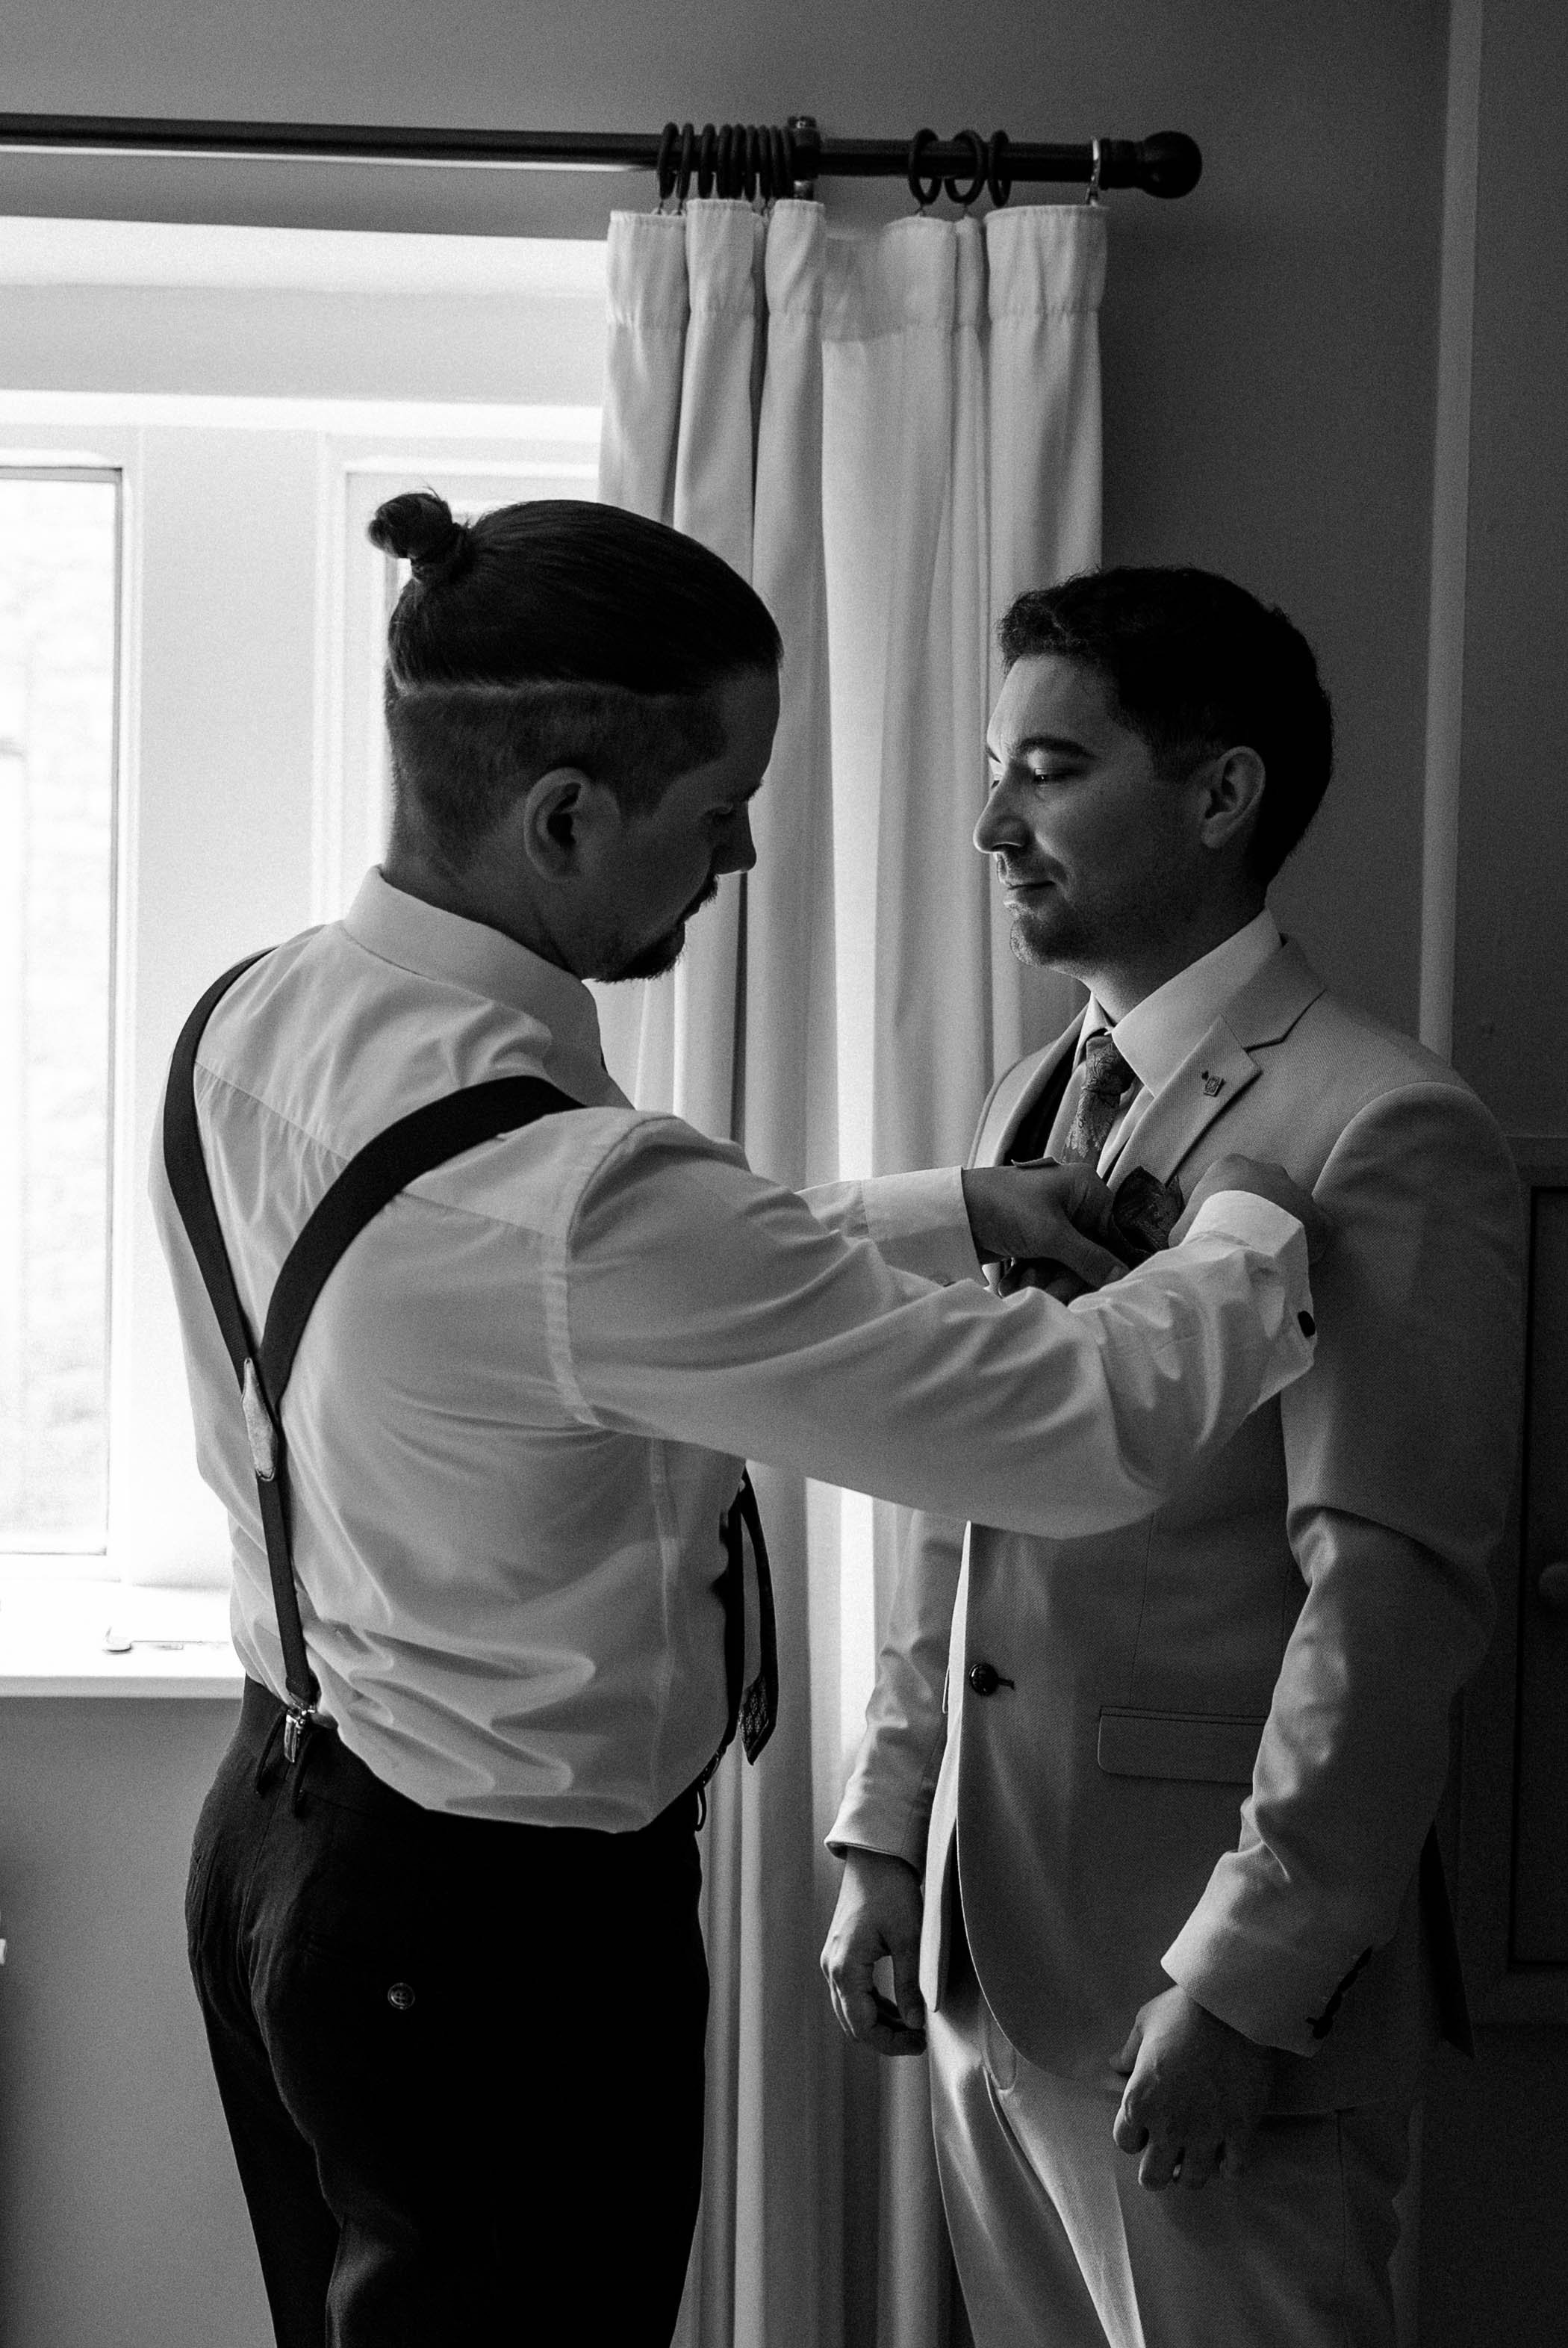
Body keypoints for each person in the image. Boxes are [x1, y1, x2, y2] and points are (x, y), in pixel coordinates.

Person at [155, 504, 1321, 2348]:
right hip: (496, 1946)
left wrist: (949, 1211)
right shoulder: (586, 1201)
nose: (746, 854)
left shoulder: (257, 1017)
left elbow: (536, 1306)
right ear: (561, 818)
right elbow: (1071, 1429)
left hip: (278, 1852)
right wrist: (1260, 1226)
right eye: (719, 809)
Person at [823, 566, 1525, 2348]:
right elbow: (959, 1481)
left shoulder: (1385, 1124)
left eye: (1049, 769)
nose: (993, 822)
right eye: (999, 768)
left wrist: (1243, 1978)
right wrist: (890, 1831)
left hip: (1200, 1998)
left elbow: (1388, 1601)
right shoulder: (1019, 1105)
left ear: (1220, 797)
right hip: (992, 1943)